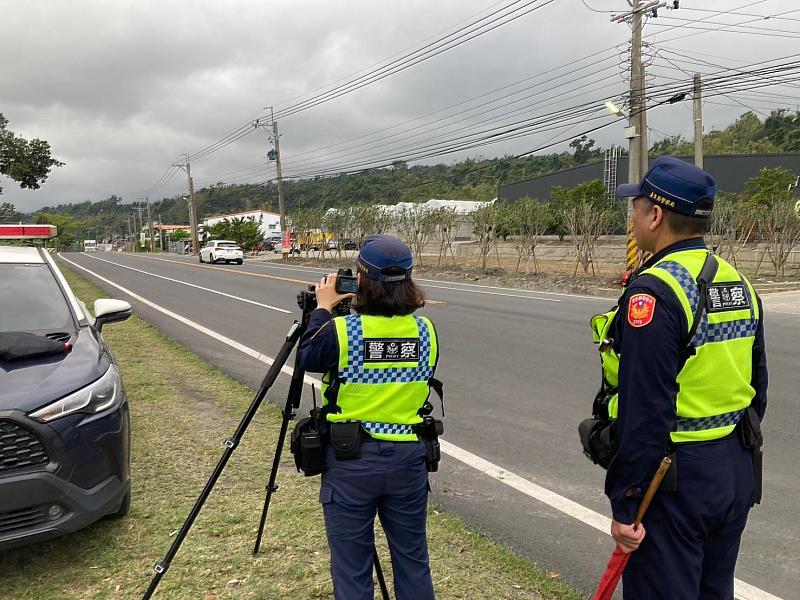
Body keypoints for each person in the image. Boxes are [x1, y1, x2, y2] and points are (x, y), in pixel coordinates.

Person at [596, 157, 768, 599]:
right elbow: (758, 386)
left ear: (655, 214)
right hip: (733, 468)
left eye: (635, 207)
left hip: (675, 480)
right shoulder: (737, 282)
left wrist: (628, 504)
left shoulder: (655, 292)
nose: (632, 217)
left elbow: (645, 412)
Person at [298, 235, 440, 600]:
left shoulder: (341, 331)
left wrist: (324, 308)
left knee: (352, 566)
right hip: (409, 458)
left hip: (351, 461)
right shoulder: (426, 332)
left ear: (361, 279)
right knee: (412, 559)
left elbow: (308, 356)